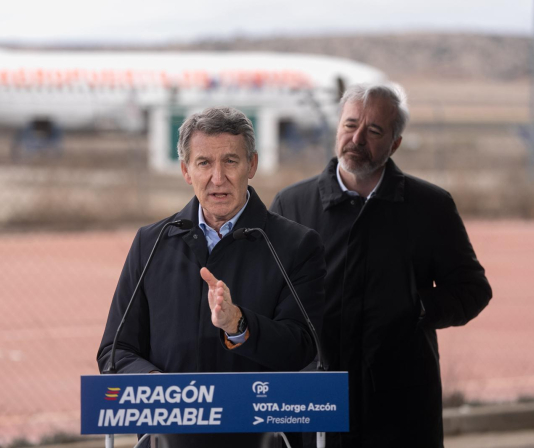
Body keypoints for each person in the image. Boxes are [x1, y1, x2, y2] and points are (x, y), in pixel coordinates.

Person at [270, 83, 492, 448]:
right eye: (350, 124)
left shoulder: (431, 206)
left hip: (401, 406)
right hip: (315, 403)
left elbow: (473, 289)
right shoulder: (291, 205)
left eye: (374, 130)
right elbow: (268, 297)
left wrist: (417, 307)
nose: (357, 138)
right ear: (338, 127)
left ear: (395, 143)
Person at [97, 107, 325, 447]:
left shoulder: (296, 245)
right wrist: (157, 388)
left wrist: (239, 325)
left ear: (252, 165)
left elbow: (304, 351)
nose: (218, 177)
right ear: (186, 171)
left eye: (230, 161)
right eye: (204, 163)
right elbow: (116, 352)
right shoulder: (151, 242)